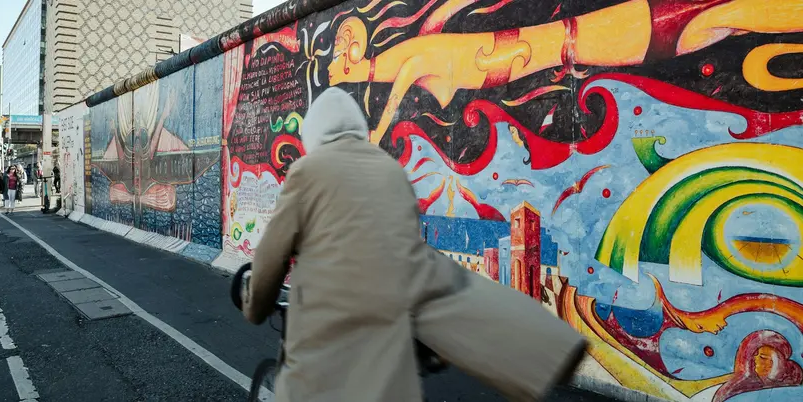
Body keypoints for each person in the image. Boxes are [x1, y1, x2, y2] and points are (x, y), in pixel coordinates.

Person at [241, 88, 586, 402]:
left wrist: (255, 306)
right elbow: (414, 262)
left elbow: (273, 254)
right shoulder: (390, 171)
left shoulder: (306, 171)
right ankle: (548, 349)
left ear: (313, 133)